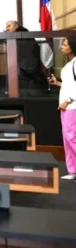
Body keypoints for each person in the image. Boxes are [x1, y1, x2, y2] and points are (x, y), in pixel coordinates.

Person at [46, 37, 76, 179]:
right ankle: (72, 171)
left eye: (64, 45)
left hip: (72, 106)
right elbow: (69, 85)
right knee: (67, 138)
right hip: (66, 107)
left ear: (72, 47)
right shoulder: (70, 63)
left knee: (71, 138)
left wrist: (68, 100)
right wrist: (57, 83)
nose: (61, 47)